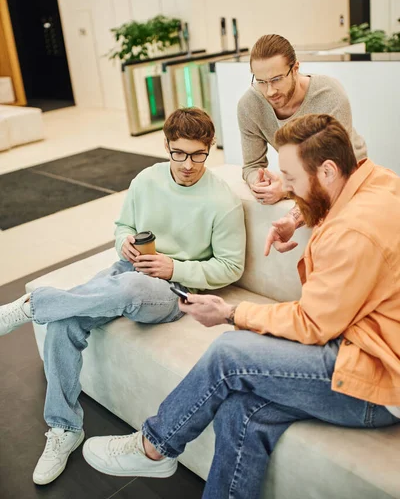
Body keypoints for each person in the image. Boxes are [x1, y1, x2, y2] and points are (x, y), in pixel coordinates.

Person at [82, 114, 400, 499]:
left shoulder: (353, 233)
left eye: (292, 178)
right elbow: (332, 200)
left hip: (376, 379)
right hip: (362, 349)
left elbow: (313, 323)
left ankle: (155, 446)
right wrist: (294, 216)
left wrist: (231, 313)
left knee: (228, 352)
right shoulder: (377, 181)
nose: (287, 187)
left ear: (328, 170)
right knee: (241, 410)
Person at [0, 107, 245, 486]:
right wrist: (124, 244)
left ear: (210, 148)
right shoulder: (146, 180)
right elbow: (123, 227)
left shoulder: (222, 200)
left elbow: (231, 267)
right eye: (179, 153)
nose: (188, 164)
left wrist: (173, 268)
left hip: (174, 291)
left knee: (129, 287)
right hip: (127, 272)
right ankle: (64, 428)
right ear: (166, 146)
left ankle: (35, 304)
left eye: (198, 154)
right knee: (67, 321)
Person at [238, 34, 367, 207]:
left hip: (350, 171)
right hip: (306, 175)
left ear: (295, 68)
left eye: (276, 79)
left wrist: (287, 187)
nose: (270, 91)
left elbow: (336, 169)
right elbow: (252, 165)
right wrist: (259, 182)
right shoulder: (249, 105)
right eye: (261, 81)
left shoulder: (330, 95)